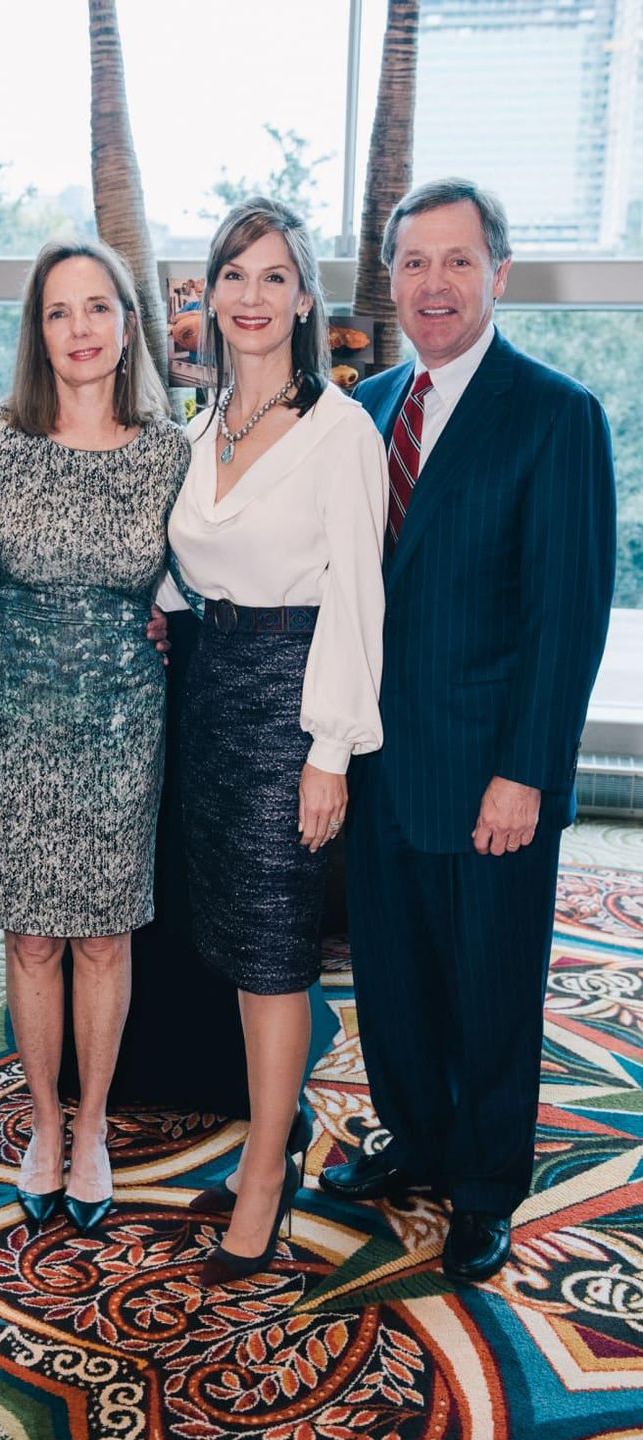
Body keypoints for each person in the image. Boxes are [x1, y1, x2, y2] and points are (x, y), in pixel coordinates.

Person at [318, 179, 617, 1285]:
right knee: (392, 983)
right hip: (376, 765)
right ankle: (416, 1139)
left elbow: (567, 615)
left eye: (456, 260)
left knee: (491, 990)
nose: (432, 283)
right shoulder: (363, 408)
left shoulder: (555, 414)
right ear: (390, 279)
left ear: (498, 273)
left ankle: (486, 1185)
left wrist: (525, 772)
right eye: (413, 262)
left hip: (492, 774)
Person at [169, 196, 388, 1285]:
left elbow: (356, 597)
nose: (250, 297)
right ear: (209, 293)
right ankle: (279, 1126)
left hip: (291, 703)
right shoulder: (200, 424)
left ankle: (264, 1176)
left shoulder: (339, 431)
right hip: (209, 696)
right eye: (233, 275)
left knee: (271, 958)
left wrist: (328, 752)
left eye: (273, 277)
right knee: (232, 939)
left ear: (305, 300)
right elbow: (191, 563)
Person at [0, 239, 190, 1235]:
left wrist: (165, 621)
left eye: (98, 307)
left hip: (122, 721)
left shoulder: (167, 449)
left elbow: (193, 572)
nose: (80, 328)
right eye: (59, 311)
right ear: (37, 331)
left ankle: (92, 1124)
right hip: (15, 714)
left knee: (102, 934)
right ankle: (44, 1124)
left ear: (128, 325)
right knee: (29, 934)